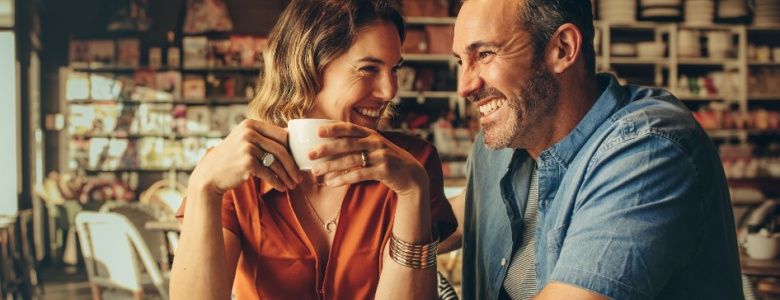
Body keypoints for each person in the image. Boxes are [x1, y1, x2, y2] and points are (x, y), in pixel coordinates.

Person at [444, 0, 744, 299]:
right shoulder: (510, 138)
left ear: (562, 48)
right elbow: (460, 218)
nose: (464, 86)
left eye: (484, 54)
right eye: (461, 61)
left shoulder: (647, 151)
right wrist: (410, 189)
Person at [169, 0, 457, 299]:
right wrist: (203, 187)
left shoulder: (412, 165)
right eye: (369, 68)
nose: (389, 91)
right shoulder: (236, 170)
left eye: (394, 69)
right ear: (307, 67)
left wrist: (413, 192)